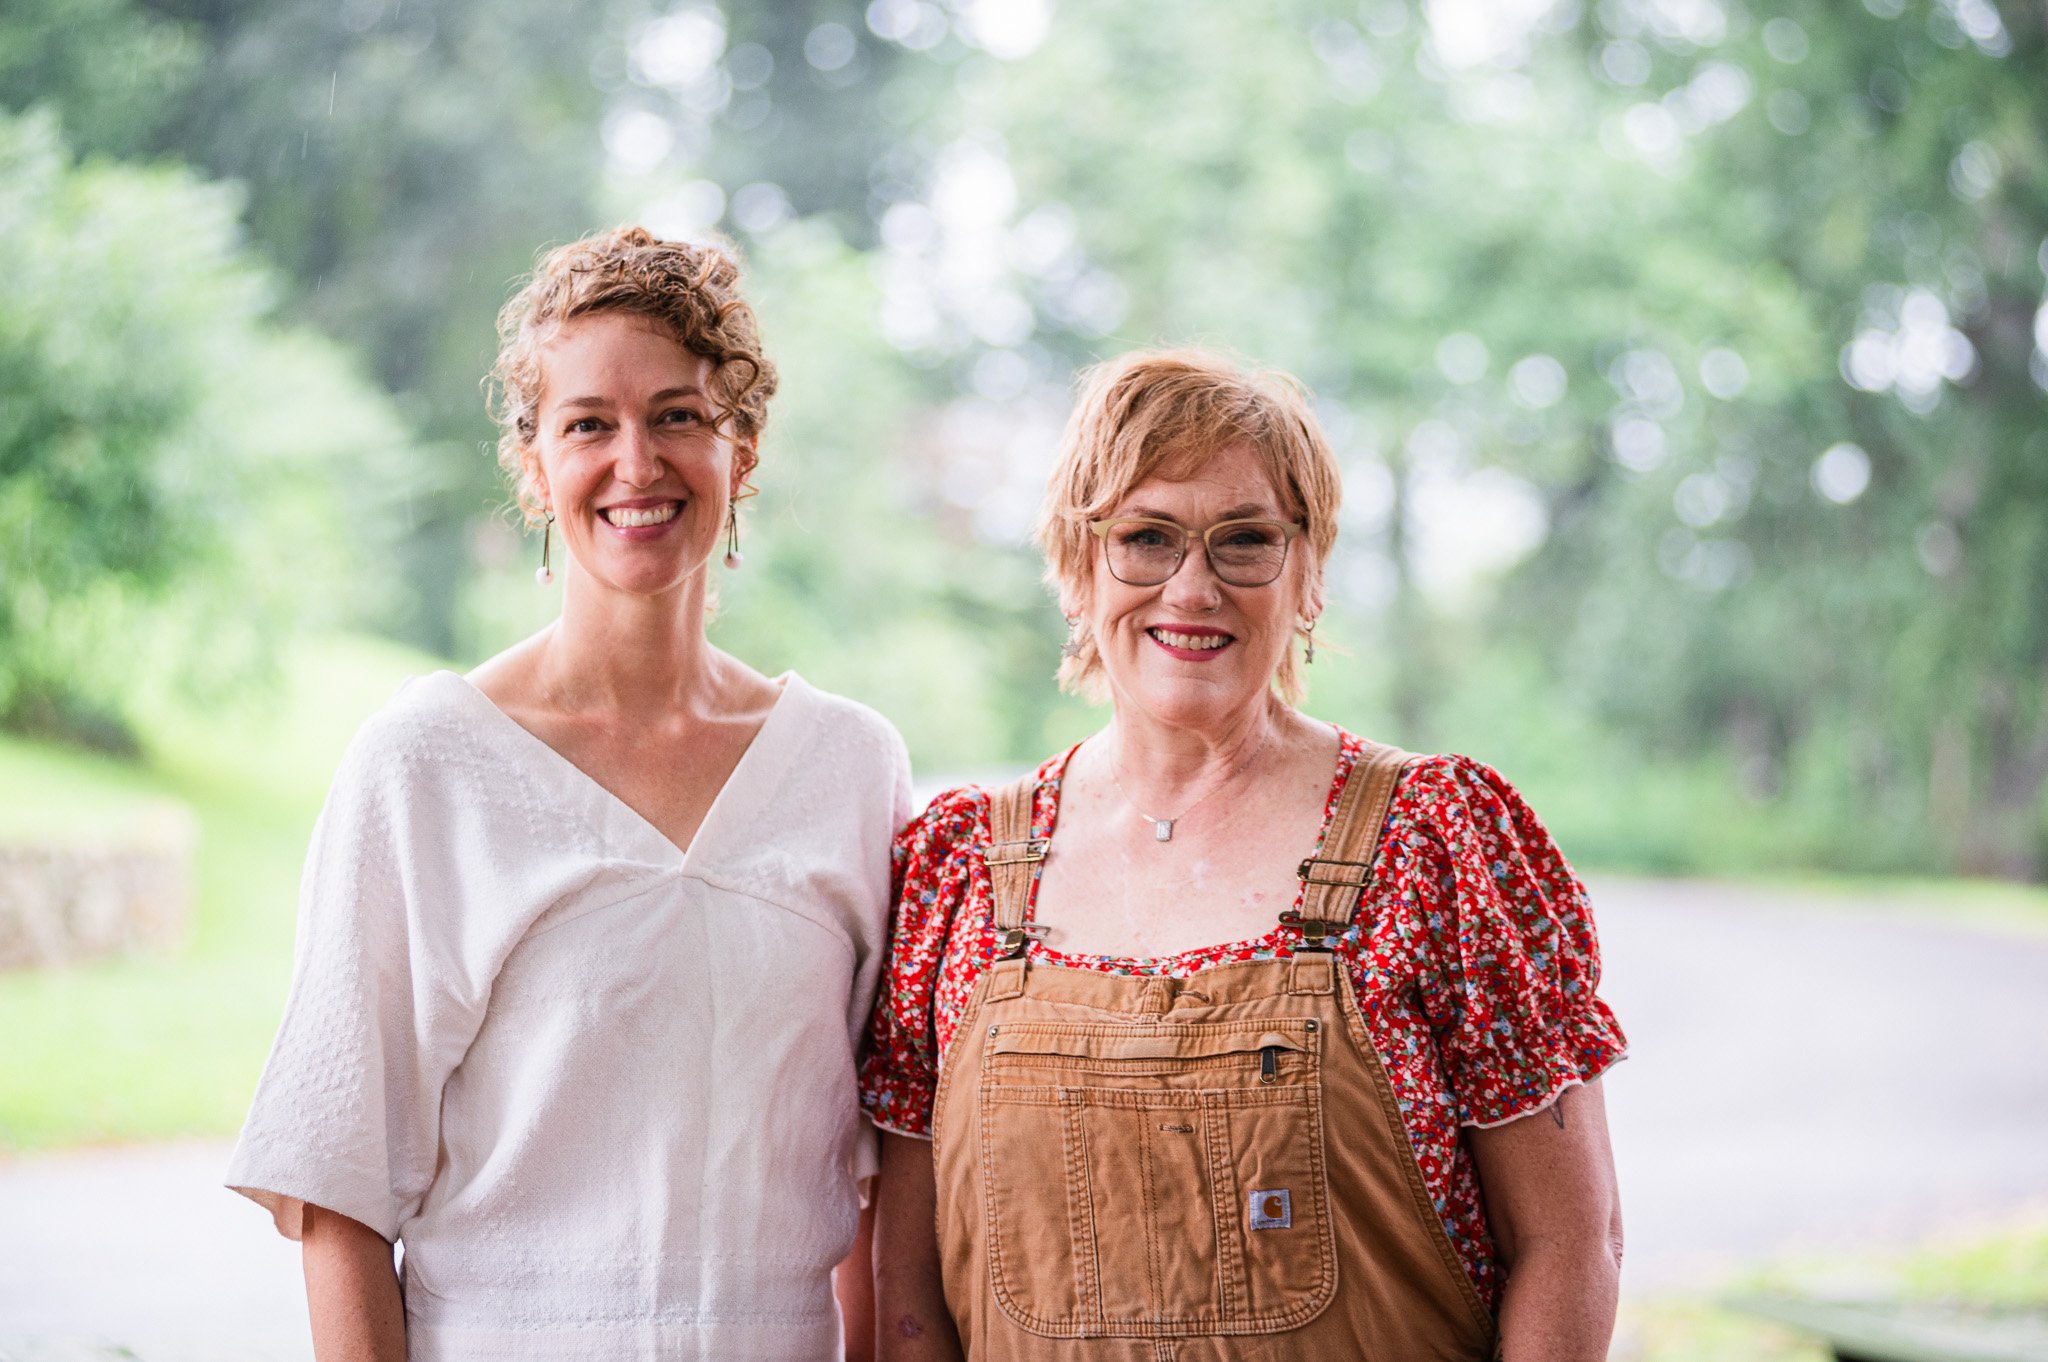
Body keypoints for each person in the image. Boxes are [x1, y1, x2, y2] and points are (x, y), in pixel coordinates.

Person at [226, 226, 909, 1361]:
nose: (635, 463)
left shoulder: (848, 766)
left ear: (740, 448)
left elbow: (871, 1178)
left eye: (679, 415)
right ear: (534, 466)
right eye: (588, 422)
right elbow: (337, 1197)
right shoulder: (428, 763)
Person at [860, 348, 1626, 1360]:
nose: (1192, 586)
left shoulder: (1434, 841)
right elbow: (905, 1288)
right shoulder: (955, 868)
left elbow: (1569, 1243)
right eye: (1145, 537)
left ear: (1304, 573)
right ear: (1074, 564)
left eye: (1243, 540)